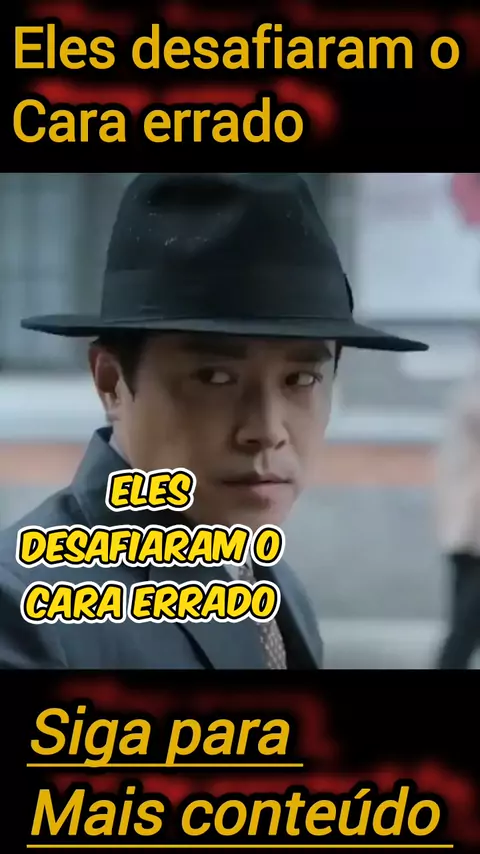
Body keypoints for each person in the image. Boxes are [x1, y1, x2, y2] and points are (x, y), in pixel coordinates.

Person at [0, 172, 427, 669]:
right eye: (216, 378)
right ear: (112, 383)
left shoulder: (275, 586)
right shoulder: (29, 612)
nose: (267, 430)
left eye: (301, 379)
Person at [435, 348, 480, 668]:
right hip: (470, 531)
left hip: (465, 531)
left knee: (465, 626)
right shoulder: (473, 395)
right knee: (465, 627)